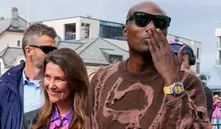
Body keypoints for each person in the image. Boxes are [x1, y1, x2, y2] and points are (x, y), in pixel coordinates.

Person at [86, 1, 211, 129]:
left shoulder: (187, 82)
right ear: (125, 30)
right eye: (141, 19)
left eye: (160, 23)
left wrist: (172, 82)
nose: (151, 28)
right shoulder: (101, 79)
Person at [0, 23, 57, 129]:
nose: (53, 54)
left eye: (54, 50)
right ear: (29, 51)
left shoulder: (59, 87)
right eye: (47, 49)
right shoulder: (4, 88)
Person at [23, 48, 89, 129]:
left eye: (59, 79)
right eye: (47, 77)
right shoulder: (30, 120)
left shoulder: (92, 121)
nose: (51, 85)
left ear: (75, 82)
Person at [170, 41, 213, 121]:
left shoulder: (203, 91)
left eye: (181, 60)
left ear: (190, 63)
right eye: (172, 59)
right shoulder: (155, 87)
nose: (176, 63)